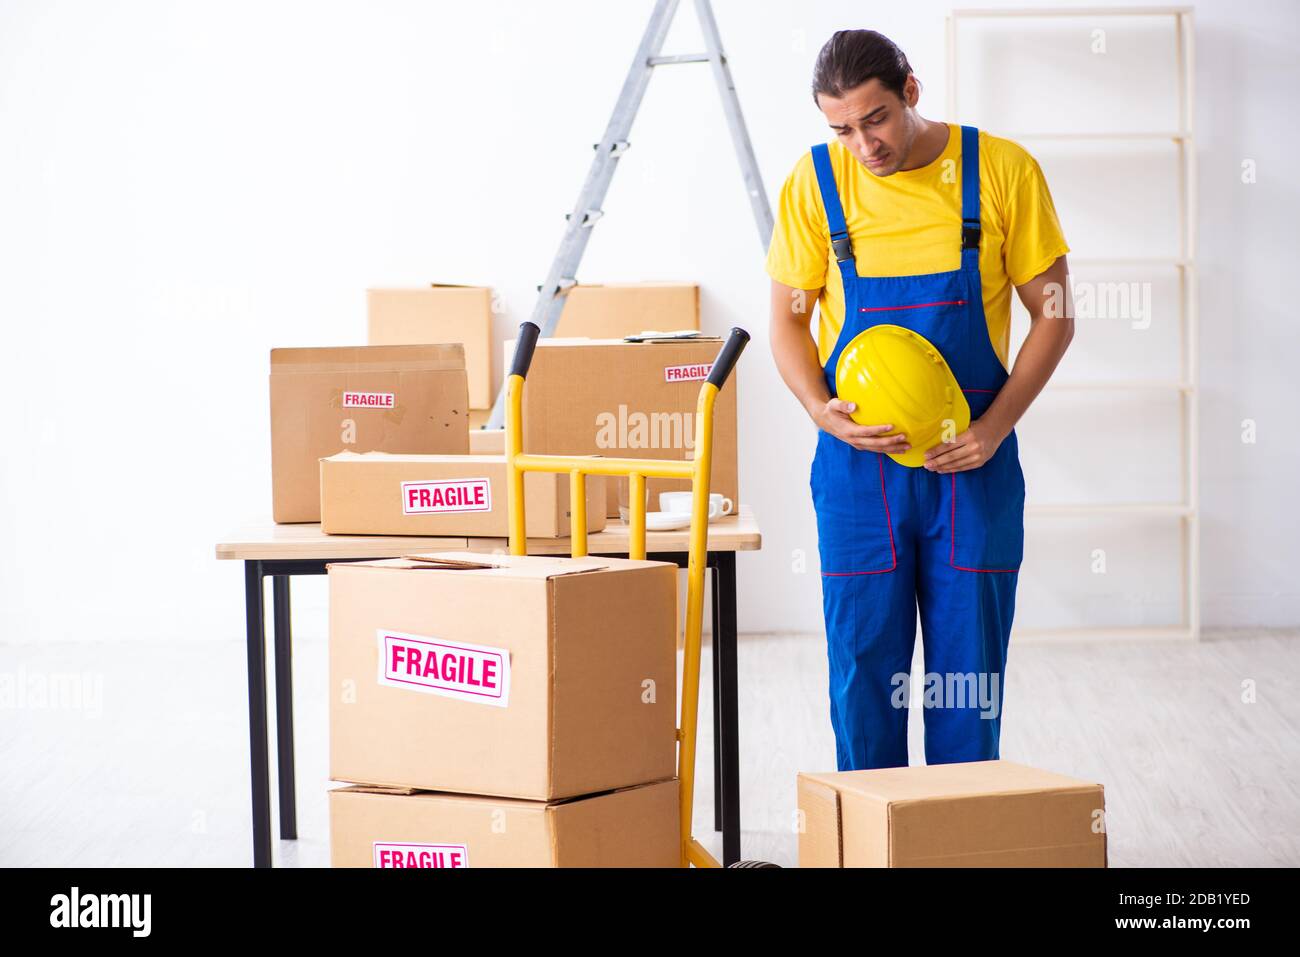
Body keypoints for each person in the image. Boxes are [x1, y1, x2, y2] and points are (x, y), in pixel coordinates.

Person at [767, 29, 1075, 770]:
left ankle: (956, 842)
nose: (862, 144)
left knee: (965, 686)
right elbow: (786, 317)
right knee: (863, 677)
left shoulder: (1000, 170)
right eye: (840, 128)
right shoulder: (815, 184)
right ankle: (872, 842)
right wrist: (816, 406)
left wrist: (995, 429)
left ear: (911, 88)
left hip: (971, 467)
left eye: (875, 118)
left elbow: (1056, 312)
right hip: (857, 473)